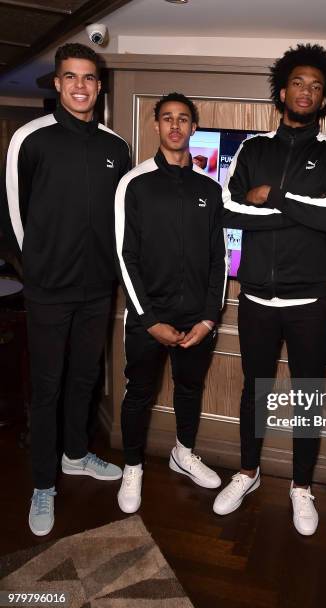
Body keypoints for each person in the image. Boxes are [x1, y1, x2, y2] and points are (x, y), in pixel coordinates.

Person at [214, 44, 326, 536]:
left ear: (325, 98)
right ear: (282, 91)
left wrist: (273, 198)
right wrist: (300, 213)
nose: (306, 91)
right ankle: (248, 472)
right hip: (254, 297)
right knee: (255, 390)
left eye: (316, 86)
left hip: (311, 302)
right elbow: (229, 211)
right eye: (299, 82)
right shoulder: (252, 149)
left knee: (307, 397)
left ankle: (300, 487)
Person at [0, 43, 131, 536]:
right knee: (48, 387)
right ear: (56, 83)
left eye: (89, 78)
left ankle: (76, 455)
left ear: (99, 86)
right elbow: (13, 213)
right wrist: (35, 268)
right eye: (71, 77)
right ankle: (42, 483)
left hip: (97, 289)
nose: (80, 85)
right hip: (48, 290)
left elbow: (120, 220)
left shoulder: (115, 147)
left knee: (84, 379)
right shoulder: (29, 139)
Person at [114, 93, 226, 513]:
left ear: (193, 128)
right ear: (156, 126)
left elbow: (219, 260)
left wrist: (209, 319)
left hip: (196, 319)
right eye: (167, 119)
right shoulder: (135, 183)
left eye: (183, 119)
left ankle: (184, 452)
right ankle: (132, 467)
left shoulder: (209, 189)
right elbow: (125, 256)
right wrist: (148, 319)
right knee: (139, 393)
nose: (175, 126)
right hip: (149, 317)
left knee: (190, 389)